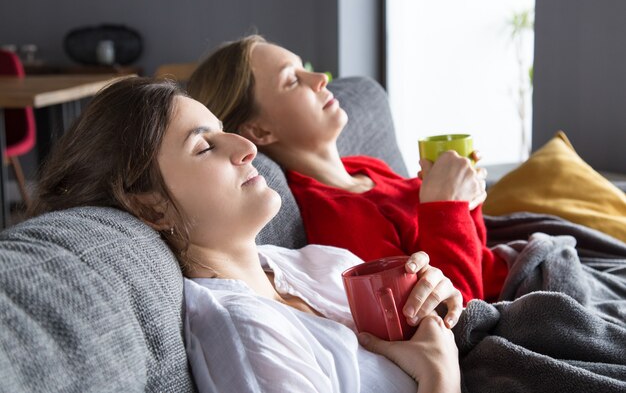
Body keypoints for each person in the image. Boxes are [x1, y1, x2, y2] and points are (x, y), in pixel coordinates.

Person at [29, 77, 461, 393]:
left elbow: (430, 333)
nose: (246, 147)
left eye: (223, 131)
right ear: (151, 206)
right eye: (204, 147)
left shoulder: (315, 263)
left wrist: (434, 305)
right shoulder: (246, 338)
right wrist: (441, 378)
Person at [187, 35, 509, 305]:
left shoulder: (367, 168)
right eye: (292, 80)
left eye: (305, 69)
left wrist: (467, 201)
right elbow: (454, 313)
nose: (320, 79)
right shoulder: (336, 219)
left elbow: (476, 257)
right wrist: (446, 207)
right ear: (258, 132)